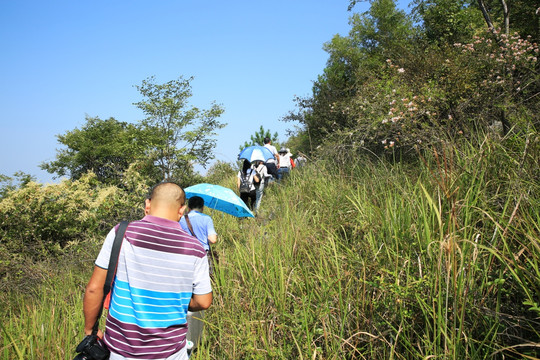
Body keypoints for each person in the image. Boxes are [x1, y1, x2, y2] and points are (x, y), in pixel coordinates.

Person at [82, 182, 212, 360]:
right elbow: (204, 302)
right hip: (171, 353)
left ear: (147, 205)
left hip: (120, 351)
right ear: (181, 210)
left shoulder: (121, 233)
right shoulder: (195, 249)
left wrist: (90, 330)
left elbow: (94, 288)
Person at [179, 195, 217, 273]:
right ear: (202, 208)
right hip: (202, 254)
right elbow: (213, 240)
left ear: (188, 208)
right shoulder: (207, 219)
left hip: (186, 254)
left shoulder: (181, 219)